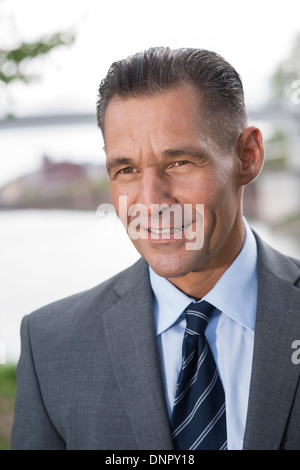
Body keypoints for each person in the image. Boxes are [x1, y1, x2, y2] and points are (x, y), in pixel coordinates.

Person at [11, 47, 300, 450]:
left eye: (179, 162)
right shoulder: (51, 346)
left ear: (247, 158)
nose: (151, 202)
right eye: (126, 169)